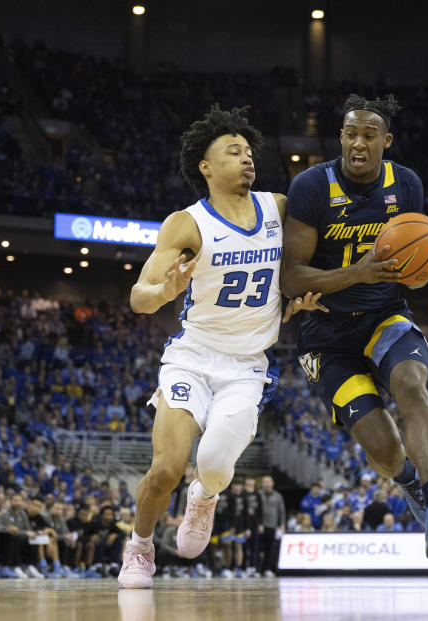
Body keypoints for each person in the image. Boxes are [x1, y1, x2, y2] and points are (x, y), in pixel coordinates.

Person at [118, 105, 324, 589]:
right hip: (191, 358)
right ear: (205, 167)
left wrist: (295, 300)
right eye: (233, 152)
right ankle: (140, 547)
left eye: (249, 152)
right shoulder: (186, 224)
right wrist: (166, 292)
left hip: (247, 366)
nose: (246, 158)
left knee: (211, 464)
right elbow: (138, 297)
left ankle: (204, 499)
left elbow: (298, 267)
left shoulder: (277, 207)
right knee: (166, 468)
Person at [281, 93, 428, 562]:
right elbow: (289, 278)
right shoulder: (311, 186)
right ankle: (409, 481)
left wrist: (423, 266)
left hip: (385, 315)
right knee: (383, 450)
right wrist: (355, 274)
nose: (358, 143)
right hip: (324, 334)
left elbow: (409, 260)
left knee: (412, 384)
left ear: (386, 141)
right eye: (350, 134)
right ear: (341, 138)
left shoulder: (406, 185)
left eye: (369, 135)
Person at [259, 475, 285, 577]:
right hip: (261, 526)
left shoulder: (278, 496)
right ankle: (258, 569)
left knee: (270, 549)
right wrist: (258, 523)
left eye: (268, 482)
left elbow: (281, 511)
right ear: (262, 484)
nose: (266, 484)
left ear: (272, 483)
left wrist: (282, 524)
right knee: (260, 549)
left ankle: (268, 569)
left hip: (272, 525)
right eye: (264, 482)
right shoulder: (259, 495)